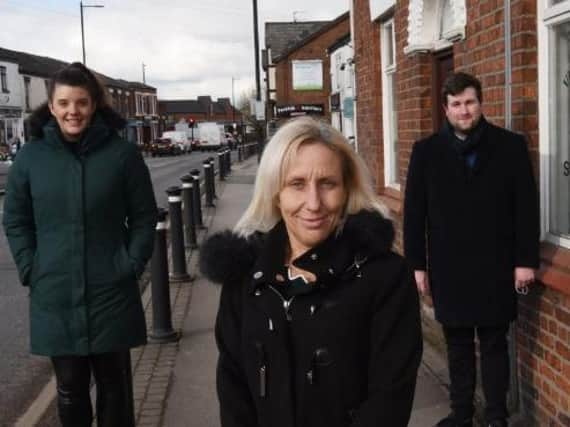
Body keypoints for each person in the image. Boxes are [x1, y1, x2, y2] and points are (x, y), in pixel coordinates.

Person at [200, 116, 422, 427]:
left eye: (327, 183)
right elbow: (233, 383)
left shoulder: (384, 277)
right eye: (297, 184)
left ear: (346, 189)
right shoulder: (245, 275)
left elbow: (390, 396)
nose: (314, 203)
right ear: (276, 191)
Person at [2, 62, 157, 427]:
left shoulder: (123, 156)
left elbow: (144, 217)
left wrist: (131, 263)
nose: (73, 111)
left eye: (82, 103)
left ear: (94, 105)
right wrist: (30, 267)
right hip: (55, 292)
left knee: (114, 386)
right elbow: (16, 221)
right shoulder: (29, 159)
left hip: (112, 289)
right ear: (52, 107)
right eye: (65, 103)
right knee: (69, 389)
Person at [403, 72, 539, 427]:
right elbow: (414, 214)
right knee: (458, 346)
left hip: (496, 264)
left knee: (495, 345)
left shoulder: (510, 147)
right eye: (457, 104)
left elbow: (526, 207)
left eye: (470, 102)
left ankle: (496, 416)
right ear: (446, 108)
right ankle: (461, 413)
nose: (464, 110)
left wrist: (525, 261)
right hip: (449, 268)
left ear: (481, 103)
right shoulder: (426, 153)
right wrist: (417, 265)